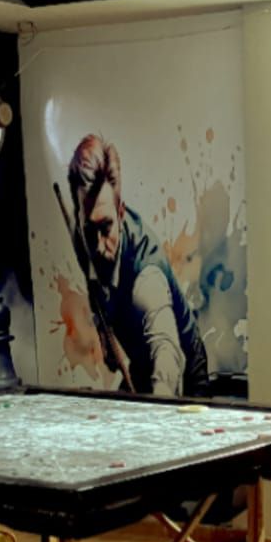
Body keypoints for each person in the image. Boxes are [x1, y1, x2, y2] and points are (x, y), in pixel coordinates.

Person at [67, 134, 209, 397]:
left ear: (120, 213)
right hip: (141, 362)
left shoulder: (147, 276)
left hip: (183, 365)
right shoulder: (82, 238)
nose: (98, 245)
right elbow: (94, 283)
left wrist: (160, 407)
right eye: (89, 229)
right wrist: (103, 330)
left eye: (106, 227)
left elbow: (166, 350)